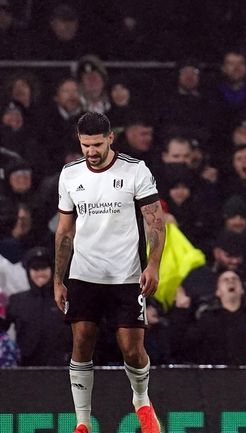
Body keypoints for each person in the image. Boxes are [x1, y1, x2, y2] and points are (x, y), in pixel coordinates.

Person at [54, 111, 166, 433]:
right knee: (81, 341)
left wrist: (153, 265)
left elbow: (155, 221)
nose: (91, 151)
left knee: (132, 349)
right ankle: (83, 421)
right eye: (86, 144)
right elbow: (64, 232)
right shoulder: (70, 175)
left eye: (97, 144)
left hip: (127, 274)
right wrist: (58, 279)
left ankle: (141, 400)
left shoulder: (135, 171)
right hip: (84, 272)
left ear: (111, 139)